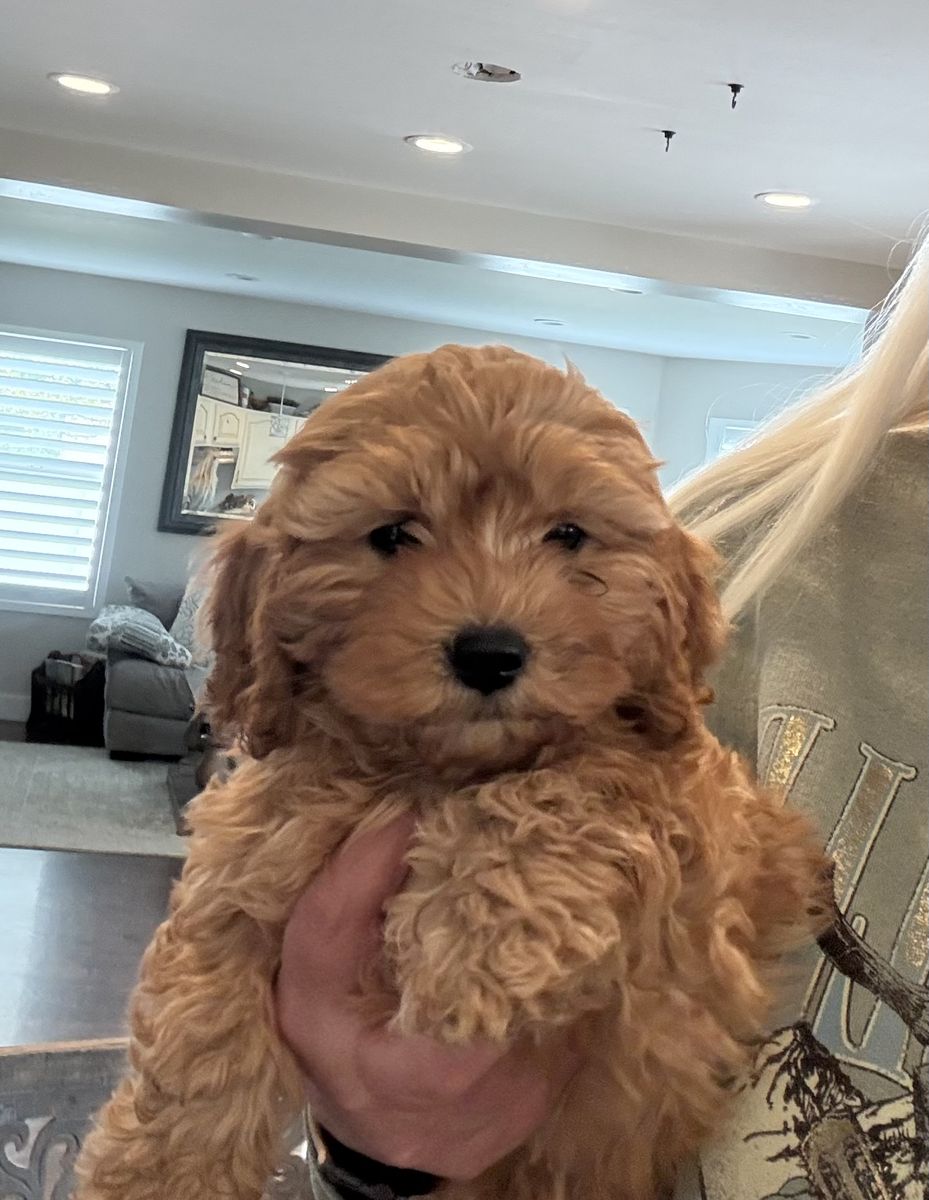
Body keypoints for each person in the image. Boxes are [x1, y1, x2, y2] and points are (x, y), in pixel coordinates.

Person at [276, 236, 928, 1200]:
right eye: (398, 537)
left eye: (558, 536)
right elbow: (404, 1032)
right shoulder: (738, 556)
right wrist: (384, 1160)